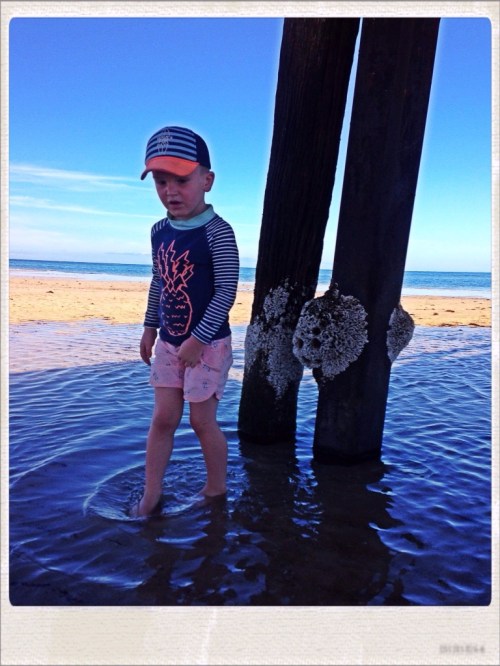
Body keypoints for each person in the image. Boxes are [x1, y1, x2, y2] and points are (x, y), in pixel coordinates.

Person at [130, 125, 239, 518]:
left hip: (208, 345)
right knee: (163, 418)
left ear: (206, 181)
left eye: (181, 180)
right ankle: (152, 494)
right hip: (169, 341)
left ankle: (215, 489)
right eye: (161, 181)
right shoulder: (159, 231)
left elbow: (226, 291)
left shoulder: (217, 233)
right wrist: (149, 327)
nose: (170, 191)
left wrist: (198, 339)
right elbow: (159, 279)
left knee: (200, 420)